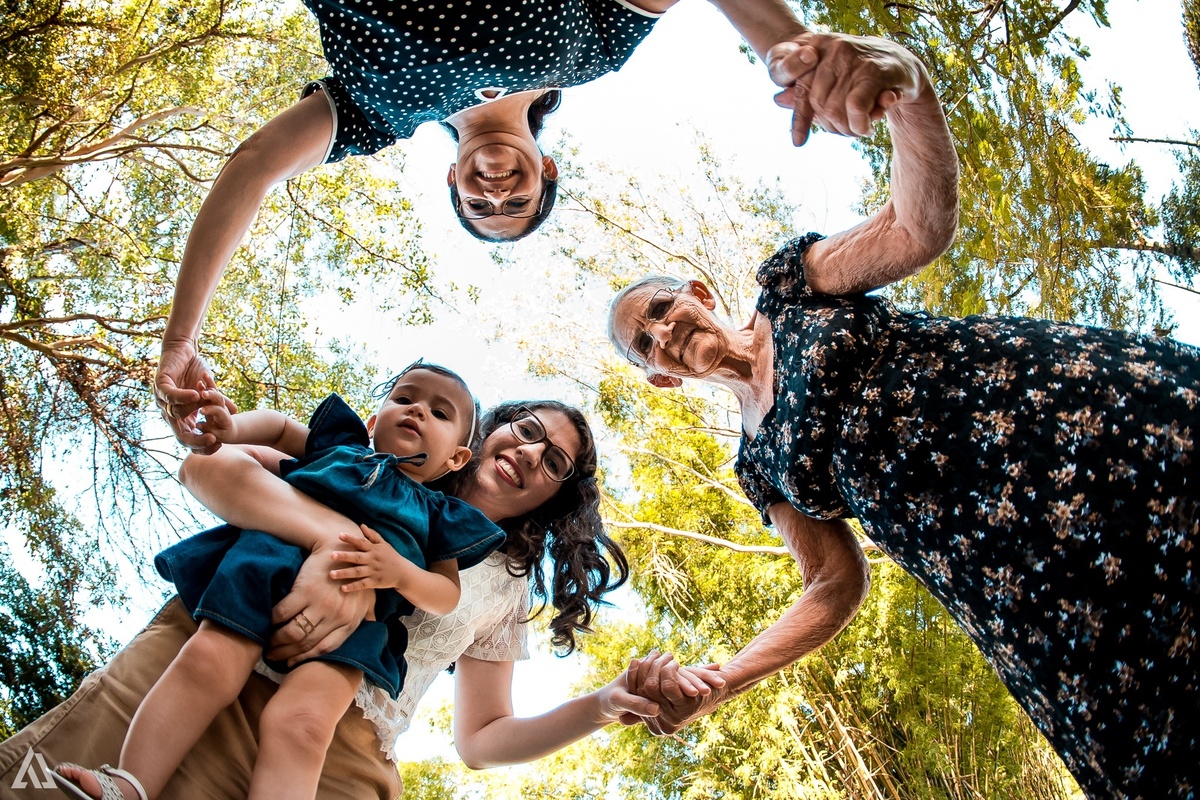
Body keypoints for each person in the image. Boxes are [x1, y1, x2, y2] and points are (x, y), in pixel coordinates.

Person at [607, 29, 1199, 800]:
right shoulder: (759, 466)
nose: (662, 333)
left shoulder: (790, 287)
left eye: (659, 309)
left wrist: (909, 88)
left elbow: (916, 228)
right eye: (645, 345)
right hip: (1004, 564)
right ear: (661, 379)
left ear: (698, 293)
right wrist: (724, 680)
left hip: (1064, 415)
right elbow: (832, 585)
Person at [152, 0, 834, 456]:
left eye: (483, 209)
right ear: (547, 169)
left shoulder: (373, 114)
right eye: (518, 203)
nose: (498, 195)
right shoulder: (590, 51)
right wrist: (797, 53)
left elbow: (253, 167)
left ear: (453, 179)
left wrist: (181, 338)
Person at [0, 399, 712, 799]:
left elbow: (482, 740)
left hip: (329, 749)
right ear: (481, 436)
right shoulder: (370, 465)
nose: (530, 451)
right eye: (526, 430)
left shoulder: (504, 583)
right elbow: (209, 467)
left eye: (552, 461)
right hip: (198, 665)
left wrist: (601, 705)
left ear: (553, 498)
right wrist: (335, 543)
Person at [55, 363, 505, 799]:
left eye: (439, 412)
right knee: (206, 661)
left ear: (456, 458)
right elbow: (278, 428)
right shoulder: (340, 446)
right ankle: (130, 784)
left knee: (305, 726)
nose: (418, 410)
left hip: (354, 626)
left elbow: (446, 594)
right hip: (265, 563)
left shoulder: (440, 516)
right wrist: (233, 427)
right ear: (372, 421)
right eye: (404, 398)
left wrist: (400, 572)